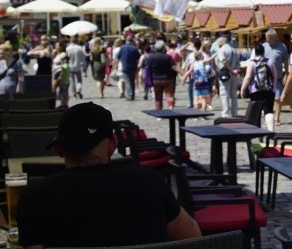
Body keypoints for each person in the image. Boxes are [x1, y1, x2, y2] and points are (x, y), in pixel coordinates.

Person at [17, 102, 200, 246]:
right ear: (112, 145)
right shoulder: (149, 182)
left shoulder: (35, 196)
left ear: (59, 150)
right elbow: (192, 237)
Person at [241, 43, 279, 131]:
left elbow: (248, 77)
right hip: (269, 90)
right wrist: (273, 87)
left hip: (255, 90)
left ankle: (258, 133)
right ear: (263, 52)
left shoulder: (252, 63)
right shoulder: (269, 61)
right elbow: (275, 76)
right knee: (268, 111)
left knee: (256, 112)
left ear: (255, 52)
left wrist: (243, 89)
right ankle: (271, 130)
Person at [262, 28, 289, 126]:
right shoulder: (263, 46)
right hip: (265, 77)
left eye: (269, 38)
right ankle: (268, 117)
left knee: (277, 98)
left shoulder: (282, 47)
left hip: (277, 77)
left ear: (275, 38)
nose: (267, 40)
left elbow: (286, 61)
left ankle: (277, 118)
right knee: (266, 99)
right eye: (266, 38)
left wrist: (286, 73)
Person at [216, 35, 241, 118]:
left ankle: (225, 113)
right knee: (234, 95)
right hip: (234, 74)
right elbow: (238, 63)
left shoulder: (222, 50)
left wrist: (230, 70)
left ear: (221, 42)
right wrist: (236, 70)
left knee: (224, 94)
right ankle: (234, 112)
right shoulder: (233, 49)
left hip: (225, 73)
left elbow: (224, 62)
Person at [147, 40, 177, 109]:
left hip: (156, 79)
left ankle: (159, 113)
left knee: (158, 97)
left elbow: (148, 68)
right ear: (163, 48)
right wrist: (182, 73)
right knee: (169, 95)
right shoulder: (167, 57)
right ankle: (170, 107)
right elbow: (174, 66)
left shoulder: (151, 57)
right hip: (167, 79)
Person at [116, 36, 141, 101]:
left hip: (125, 66)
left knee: (127, 81)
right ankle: (132, 95)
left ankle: (130, 96)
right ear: (132, 41)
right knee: (132, 81)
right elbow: (138, 58)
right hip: (133, 66)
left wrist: (116, 65)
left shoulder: (122, 48)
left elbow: (118, 57)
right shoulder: (134, 48)